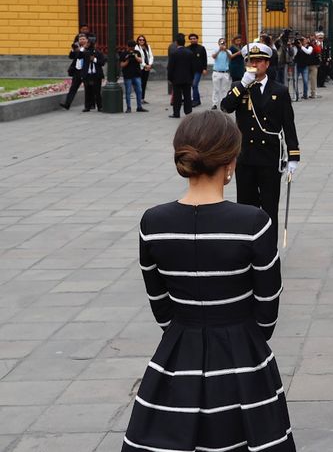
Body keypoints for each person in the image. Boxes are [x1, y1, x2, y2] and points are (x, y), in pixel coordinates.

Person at [121, 110, 295, 452]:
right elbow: (267, 307)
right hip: (243, 352)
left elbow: (160, 305)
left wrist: (186, 331)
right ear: (230, 163)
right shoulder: (254, 223)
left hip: (177, 351)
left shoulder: (153, 222)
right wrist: (242, 336)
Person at [219, 42, 299, 233]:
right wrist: (243, 84)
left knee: (270, 206)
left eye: (260, 61)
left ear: (267, 64)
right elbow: (225, 107)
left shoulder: (279, 90)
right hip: (246, 156)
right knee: (246, 206)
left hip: (269, 156)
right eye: (251, 61)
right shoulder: (240, 87)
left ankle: (269, 248)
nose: (255, 65)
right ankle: (247, 245)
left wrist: (293, 155)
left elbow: (288, 124)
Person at [166, 34, 196, 119]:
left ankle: (176, 113)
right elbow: (192, 67)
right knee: (187, 96)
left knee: (177, 97)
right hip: (187, 78)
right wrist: (192, 77)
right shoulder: (190, 53)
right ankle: (188, 112)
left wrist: (170, 78)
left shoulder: (174, 53)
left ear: (177, 43)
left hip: (176, 79)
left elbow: (170, 67)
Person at [61, 33, 92, 110]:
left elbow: (83, 55)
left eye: (83, 39)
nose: (82, 40)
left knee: (88, 89)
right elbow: (71, 56)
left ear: (87, 40)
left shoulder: (89, 48)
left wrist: (81, 49)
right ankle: (67, 104)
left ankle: (87, 106)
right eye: (80, 39)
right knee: (73, 88)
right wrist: (73, 49)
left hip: (85, 71)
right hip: (77, 71)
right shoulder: (77, 48)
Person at [120, 40, 147, 113]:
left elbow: (141, 61)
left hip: (136, 75)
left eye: (133, 47)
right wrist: (127, 60)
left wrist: (135, 57)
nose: (132, 49)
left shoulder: (137, 52)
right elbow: (122, 65)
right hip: (128, 76)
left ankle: (139, 107)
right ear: (127, 47)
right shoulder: (123, 54)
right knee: (128, 92)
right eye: (130, 48)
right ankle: (128, 108)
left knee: (139, 91)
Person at [211, 37, 232, 110]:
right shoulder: (216, 50)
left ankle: (223, 104)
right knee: (216, 89)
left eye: (223, 42)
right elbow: (213, 57)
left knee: (224, 89)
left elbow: (230, 58)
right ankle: (214, 104)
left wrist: (225, 50)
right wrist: (219, 50)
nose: (222, 44)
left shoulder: (228, 51)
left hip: (225, 73)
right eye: (221, 43)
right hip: (216, 72)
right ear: (218, 43)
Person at [187, 33, 208, 108]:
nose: (193, 40)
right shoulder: (187, 48)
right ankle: (198, 100)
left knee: (194, 84)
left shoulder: (201, 48)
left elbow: (205, 59)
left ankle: (195, 101)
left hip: (198, 70)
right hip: (189, 71)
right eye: (191, 39)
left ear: (197, 39)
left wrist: (205, 68)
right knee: (193, 86)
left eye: (194, 39)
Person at [134, 34, 154, 102]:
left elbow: (151, 56)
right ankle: (139, 98)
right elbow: (139, 59)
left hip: (147, 68)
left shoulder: (147, 47)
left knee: (144, 83)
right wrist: (145, 65)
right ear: (138, 41)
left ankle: (142, 98)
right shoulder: (136, 47)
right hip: (140, 68)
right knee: (140, 84)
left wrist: (150, 64)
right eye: (140, 40)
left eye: (143, 40)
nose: (141, 41)